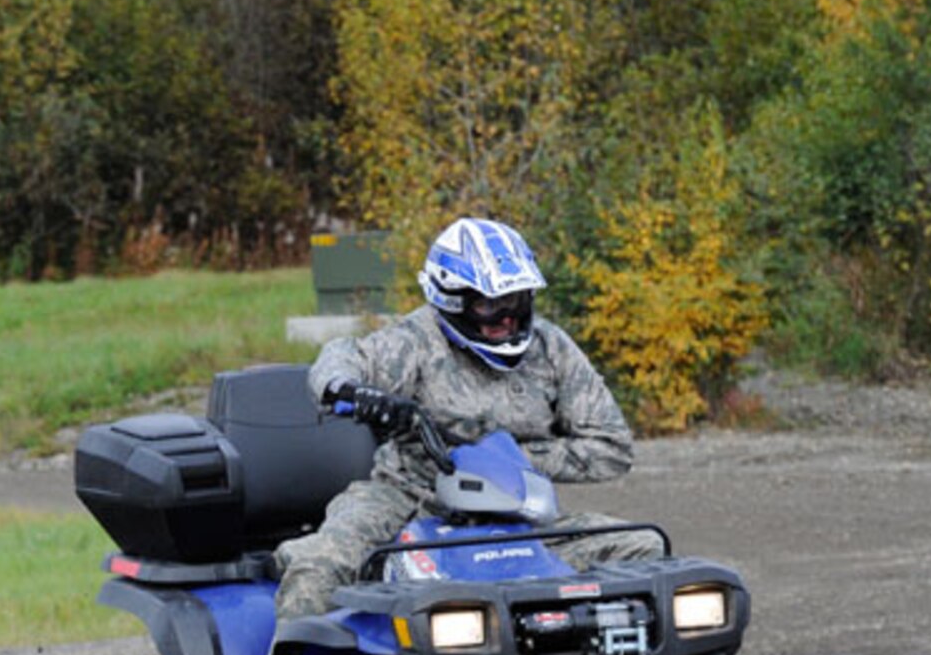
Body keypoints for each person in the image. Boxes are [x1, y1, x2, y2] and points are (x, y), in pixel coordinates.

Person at [274, 216, 661, 620]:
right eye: (489, 304)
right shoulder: (416, 339)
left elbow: (612, 448)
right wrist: (351, 391)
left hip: (517, 511)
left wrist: (506, 459)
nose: (506, 317)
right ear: (452, 301)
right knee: (319, 566)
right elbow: (343, 357)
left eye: (515, 300)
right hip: (410, 497)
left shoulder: (551, 349)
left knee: (641, 546)